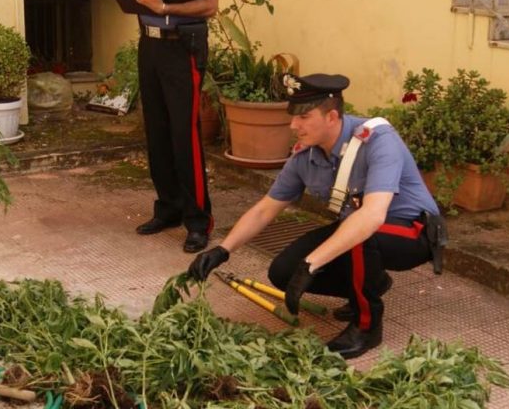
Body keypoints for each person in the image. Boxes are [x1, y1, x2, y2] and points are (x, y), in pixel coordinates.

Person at [187, 73, 445, 359]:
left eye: (304, 117)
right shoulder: (305, 156)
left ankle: (366, 327)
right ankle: (374, 282)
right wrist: (223, 250)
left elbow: (371, 216)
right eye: (293, 116)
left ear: (331, 117)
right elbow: (265, 209)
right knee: (283, 271)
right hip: (364, 229)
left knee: (356, 237)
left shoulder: (378, 141)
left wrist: (312, 264)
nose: (294, 125)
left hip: (413, 232)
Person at [120, 0, 222, 252]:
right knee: (157, 130)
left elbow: (210, 5)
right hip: (150, 46)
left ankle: (199, 221)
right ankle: (169, 209)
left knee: (184, 134)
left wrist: (164, 7)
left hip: (182, 47)